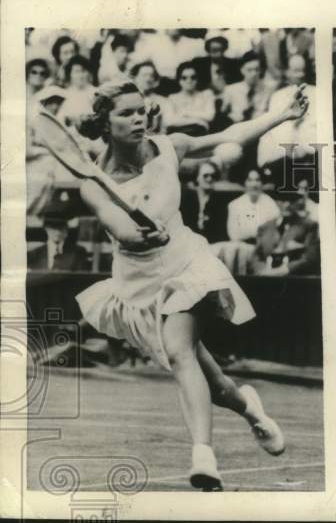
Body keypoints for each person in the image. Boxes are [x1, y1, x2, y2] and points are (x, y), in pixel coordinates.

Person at [73, 79, 309, 491]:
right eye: (126, 112)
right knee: (215, 385)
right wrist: (139, 235)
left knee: (181, 353)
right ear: (105, 124)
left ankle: (204, 455)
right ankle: (250, 408)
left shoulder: (170, 146)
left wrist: (282, 115)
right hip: (138, 284)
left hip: (187, 261)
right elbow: (121, 230)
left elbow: (231, 134)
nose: (138, 117)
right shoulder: (92, 184)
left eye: (141, 109)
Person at [27, 199, 90, 272]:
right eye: (53, 227)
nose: (57, 231)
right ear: (46, 228)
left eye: (61, 227)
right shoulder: (34, 254)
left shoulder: (78, 253)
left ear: (67, 229)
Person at [226, 168, 280, 243]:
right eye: (249, 180)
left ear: (262, 183)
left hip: (263, 246)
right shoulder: (234, 205)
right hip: (243, 246)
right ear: (245, 183)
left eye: (257, 180)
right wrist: (259, 230)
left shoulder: (270, 203)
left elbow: (273, 230)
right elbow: (233, 235)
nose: (254, 184)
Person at [166, 61, 215, 135]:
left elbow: (210, 116)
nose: (189, 81)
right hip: (179, 134)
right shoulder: (172, 98)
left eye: (193, 77)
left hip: (200, 134)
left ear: (198, 79)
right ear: (179, 80)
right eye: (184, 78)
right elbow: (169, 121)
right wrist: (198, 121)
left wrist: (185, 114)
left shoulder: (206, 95)